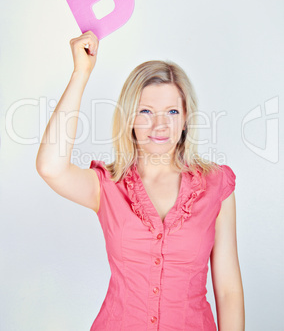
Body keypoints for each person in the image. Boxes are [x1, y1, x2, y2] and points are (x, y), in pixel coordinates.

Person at [36, 30, 245, 330]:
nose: (160, 125)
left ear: (185, 118)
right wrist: (81, 73)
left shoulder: (216, 186)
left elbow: (228, 291)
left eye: (172, 111)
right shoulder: (107, 186)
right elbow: (50, 168)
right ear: (129, 118)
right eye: (145, 111)